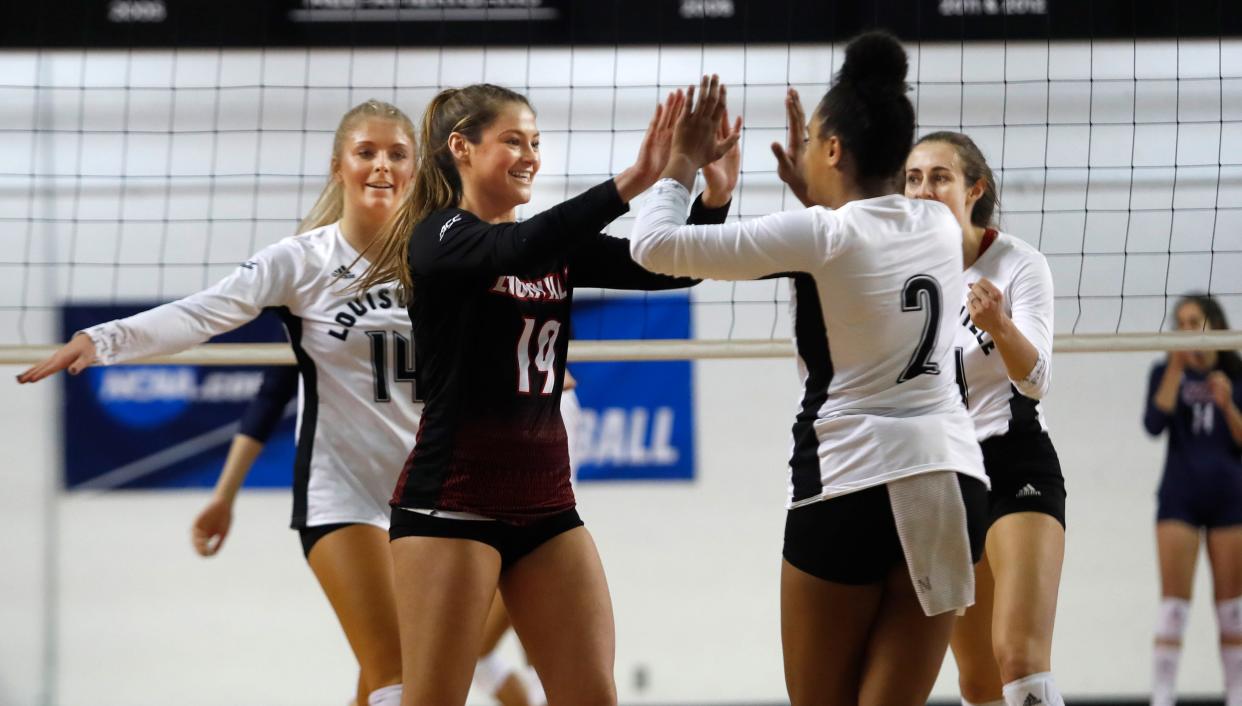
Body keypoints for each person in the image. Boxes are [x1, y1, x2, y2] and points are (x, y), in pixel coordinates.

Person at [20, 100, 419, 706]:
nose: (382, 166)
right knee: (401, 679)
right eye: (366, 152)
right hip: (343, 493)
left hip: (431, 490)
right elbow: (200, 313)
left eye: (397, 153)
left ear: (417, 169)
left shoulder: (441, 254)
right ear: (339, 165)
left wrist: (538, 369)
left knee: (397, 669)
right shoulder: (301, 261)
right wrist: (99, 340)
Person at [629, 33, 988, 706]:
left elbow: (653, 248)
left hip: (850, 479)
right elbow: (866, 254)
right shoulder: (938, 227)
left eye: (814, 140)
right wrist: (816, 195)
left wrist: (680, 162)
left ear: (831, 149)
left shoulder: (823, 235)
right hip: (949, 481)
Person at [353, 84, 737, 706]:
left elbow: (673, 266)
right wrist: (638, 179)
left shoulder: (549, 246)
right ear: (461, 148)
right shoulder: (439, 235)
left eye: (535, 142)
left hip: (547, 508)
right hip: (451, 507)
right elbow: (518, 248)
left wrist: (714, 197)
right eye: (512, 141)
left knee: (592, 695)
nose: (530, 155)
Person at [905, 131, 1067, 706]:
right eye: (914, 177)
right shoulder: (896, 270)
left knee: (1019, 659)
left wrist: (999, 324)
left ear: (975, 189)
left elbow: (1037, 379)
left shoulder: (1018, 263)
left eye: (940, 177)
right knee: (977, 681)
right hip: (944, 474)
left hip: (1013, 457)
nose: (924, 189)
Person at [1144, 294, 1242, 706]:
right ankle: (1163, 696)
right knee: (1173, 606)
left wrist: (1228, 404)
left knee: (1231, 608)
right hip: (1179, 498)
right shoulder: (1166, 372)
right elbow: (1153, 423)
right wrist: (1177, 367)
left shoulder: (1236, 375)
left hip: (1230, 499)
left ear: (1214, 325)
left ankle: (1237, 693)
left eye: (1194, 321)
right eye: (1180, 323)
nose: (1186, 330)